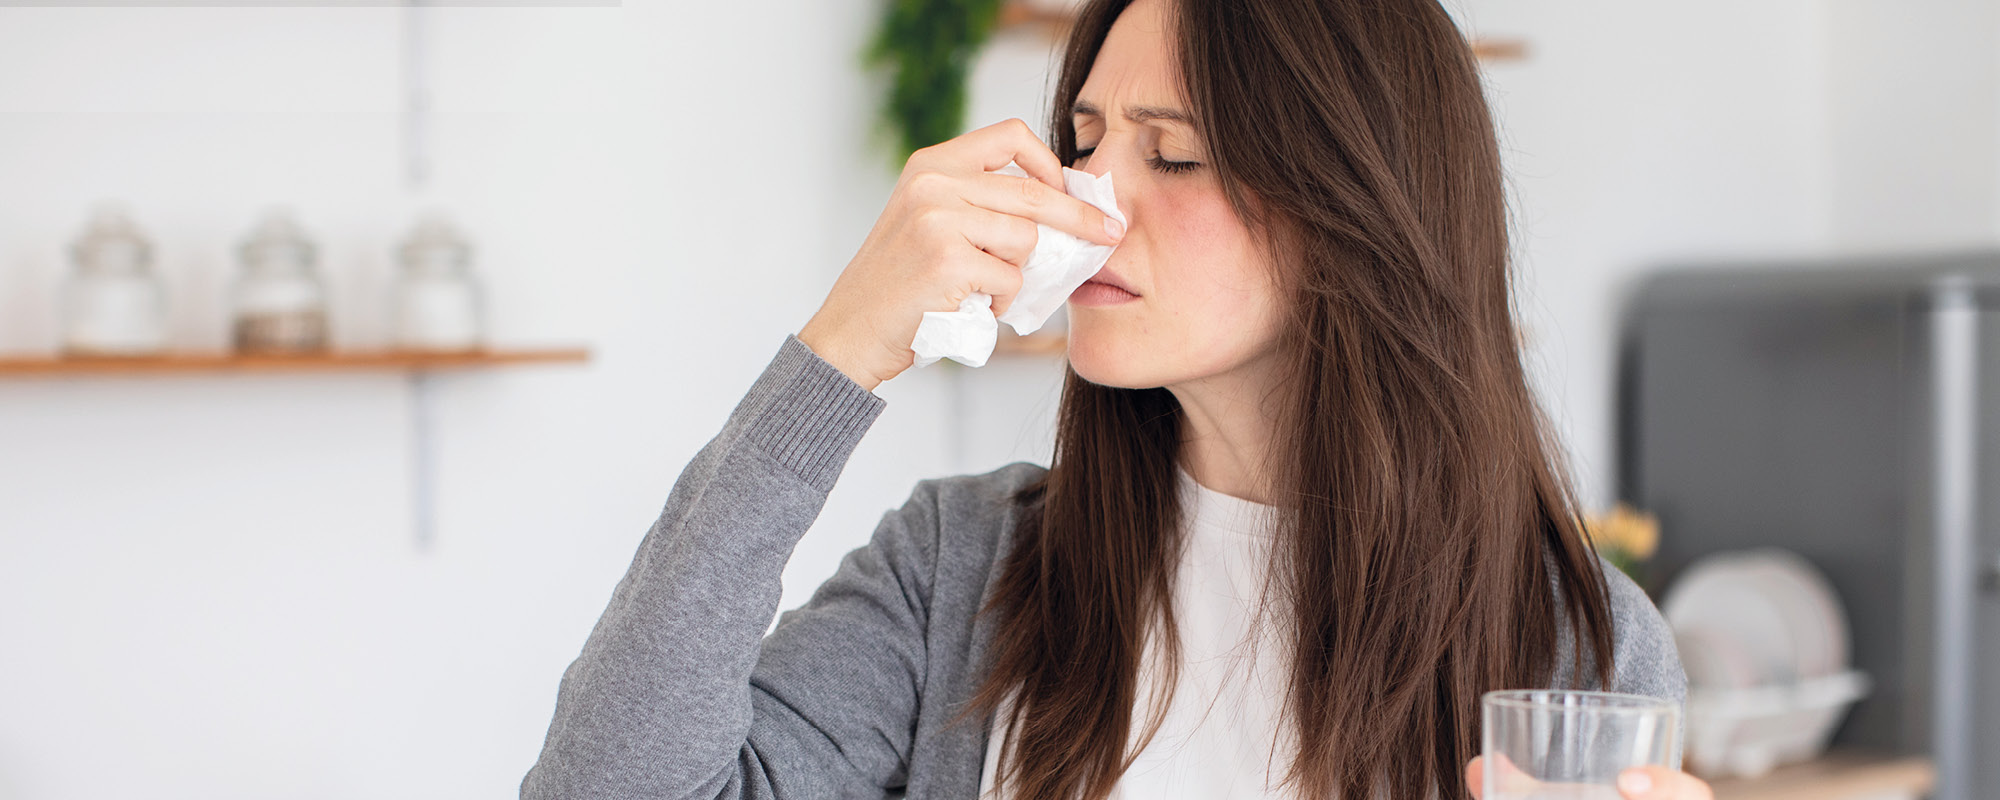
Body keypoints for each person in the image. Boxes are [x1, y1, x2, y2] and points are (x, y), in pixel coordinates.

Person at [521, 0, 1714, 797]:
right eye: (1083, 142)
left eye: (1173, 154)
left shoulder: (1575, 646)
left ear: (1356, 211)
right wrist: (838, 354)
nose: (1088, 201)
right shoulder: (965, 566)